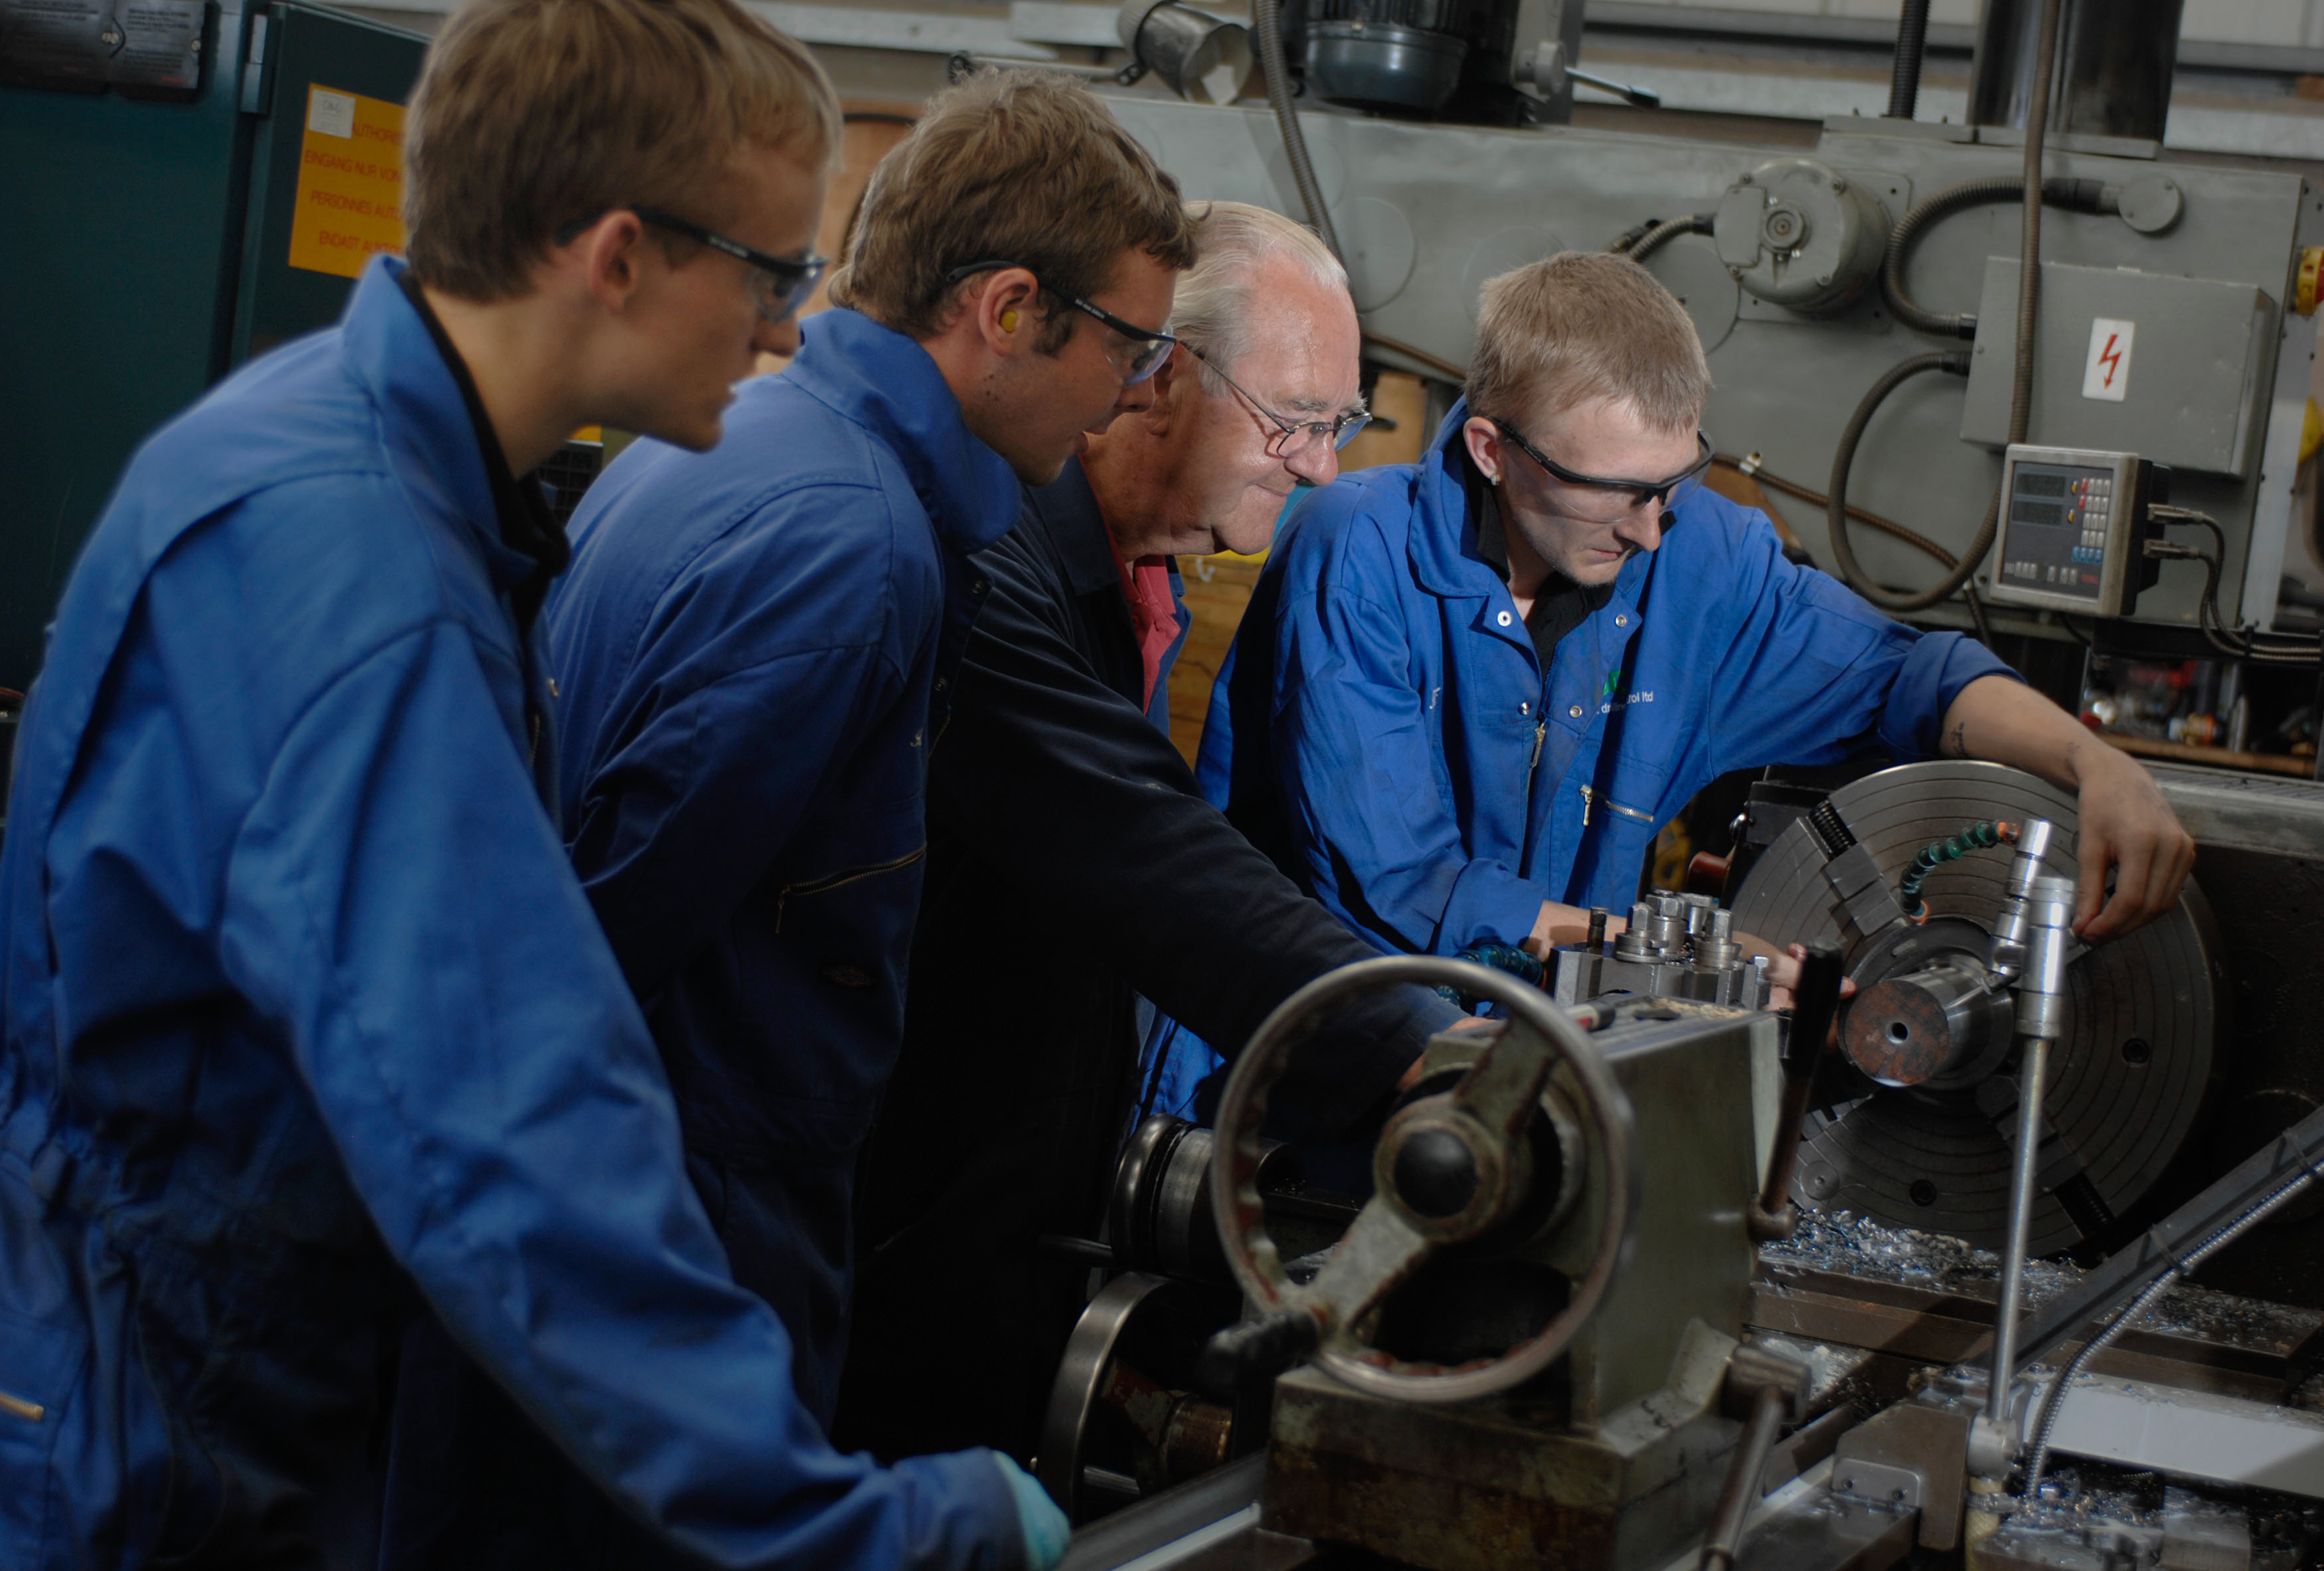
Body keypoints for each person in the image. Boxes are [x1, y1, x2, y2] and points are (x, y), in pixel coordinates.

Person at [0, 2, 1062, 1567]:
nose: (782, 331)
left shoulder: (309, 440)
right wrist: (875, 1528)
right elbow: (510, 1133)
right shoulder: (364, 577)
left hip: (134, 1337)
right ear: (617, 256)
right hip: (170, 1410)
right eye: (768, 272)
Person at [375, 70, 1190, 1568]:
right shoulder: (854, 546)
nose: (1133, 391)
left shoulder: (737, 440)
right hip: (672, 1234)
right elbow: (604, 954)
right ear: (1009, 311)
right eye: (1127, 346)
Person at [836, 203, 1464, 1467]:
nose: (1319, 468)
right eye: (1293, 420)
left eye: (1339, 425)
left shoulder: (1133, 581)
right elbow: (1144, 855)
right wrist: (1421, 1049)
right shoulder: (986, 562)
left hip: (1005, 1209)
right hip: (884, 1224)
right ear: (1160, 377)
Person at [1205, 250, 2195, 978]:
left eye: (1672, 482)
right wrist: (1684, 961)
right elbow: (1403, 888)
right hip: (1313, 1061)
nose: (1649, 531)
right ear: (1492, 452)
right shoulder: (1358, 551)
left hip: (1540, 1060)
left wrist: (2093, 764)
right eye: (1614, 491)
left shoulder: (1703, 559)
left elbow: (1907, 678)